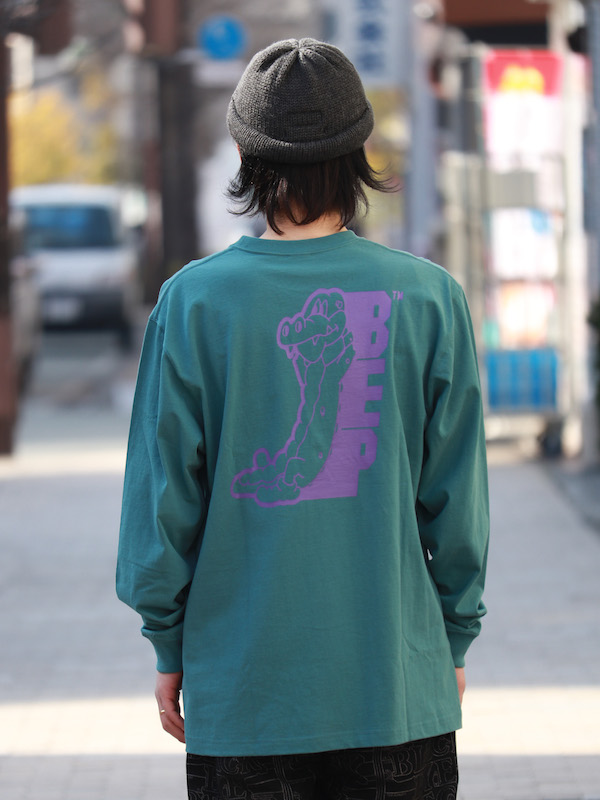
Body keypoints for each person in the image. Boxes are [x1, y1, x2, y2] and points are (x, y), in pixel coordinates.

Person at [117, 37, 489, 800]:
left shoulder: (194, 302)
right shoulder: (430, 297)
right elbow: (458, 501)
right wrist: (453, 636)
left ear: (245, 156)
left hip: (245, 690)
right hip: (396, 684)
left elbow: (162, 503)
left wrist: (167, 641)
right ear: (359, 154)